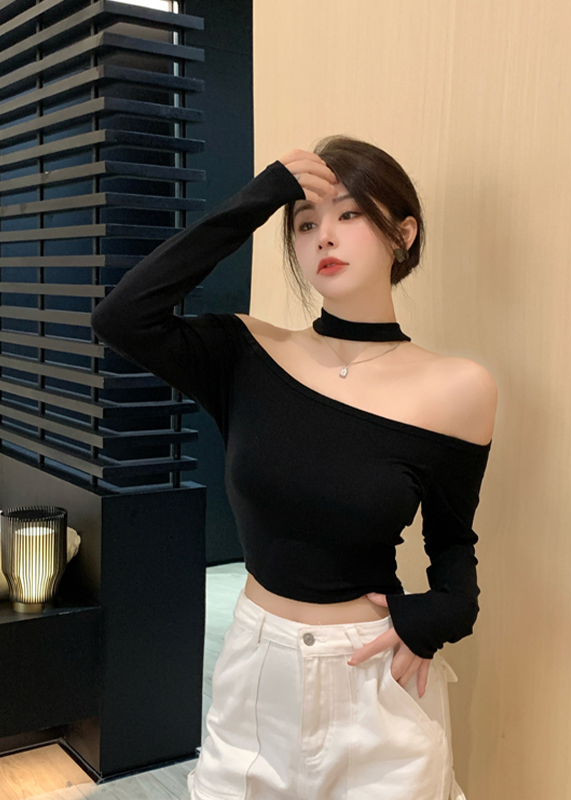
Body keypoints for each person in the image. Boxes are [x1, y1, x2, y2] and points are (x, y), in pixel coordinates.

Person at [90, 135, 497, 800]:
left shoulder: (457, 388)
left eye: (349, 214)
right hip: (257, 674)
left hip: (373, 683)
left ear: (403, 233)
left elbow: (453, 544)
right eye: (305, 223)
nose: (323, 236)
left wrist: (445, 614)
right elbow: (122, 316)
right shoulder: (247, 353)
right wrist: (258, 198)